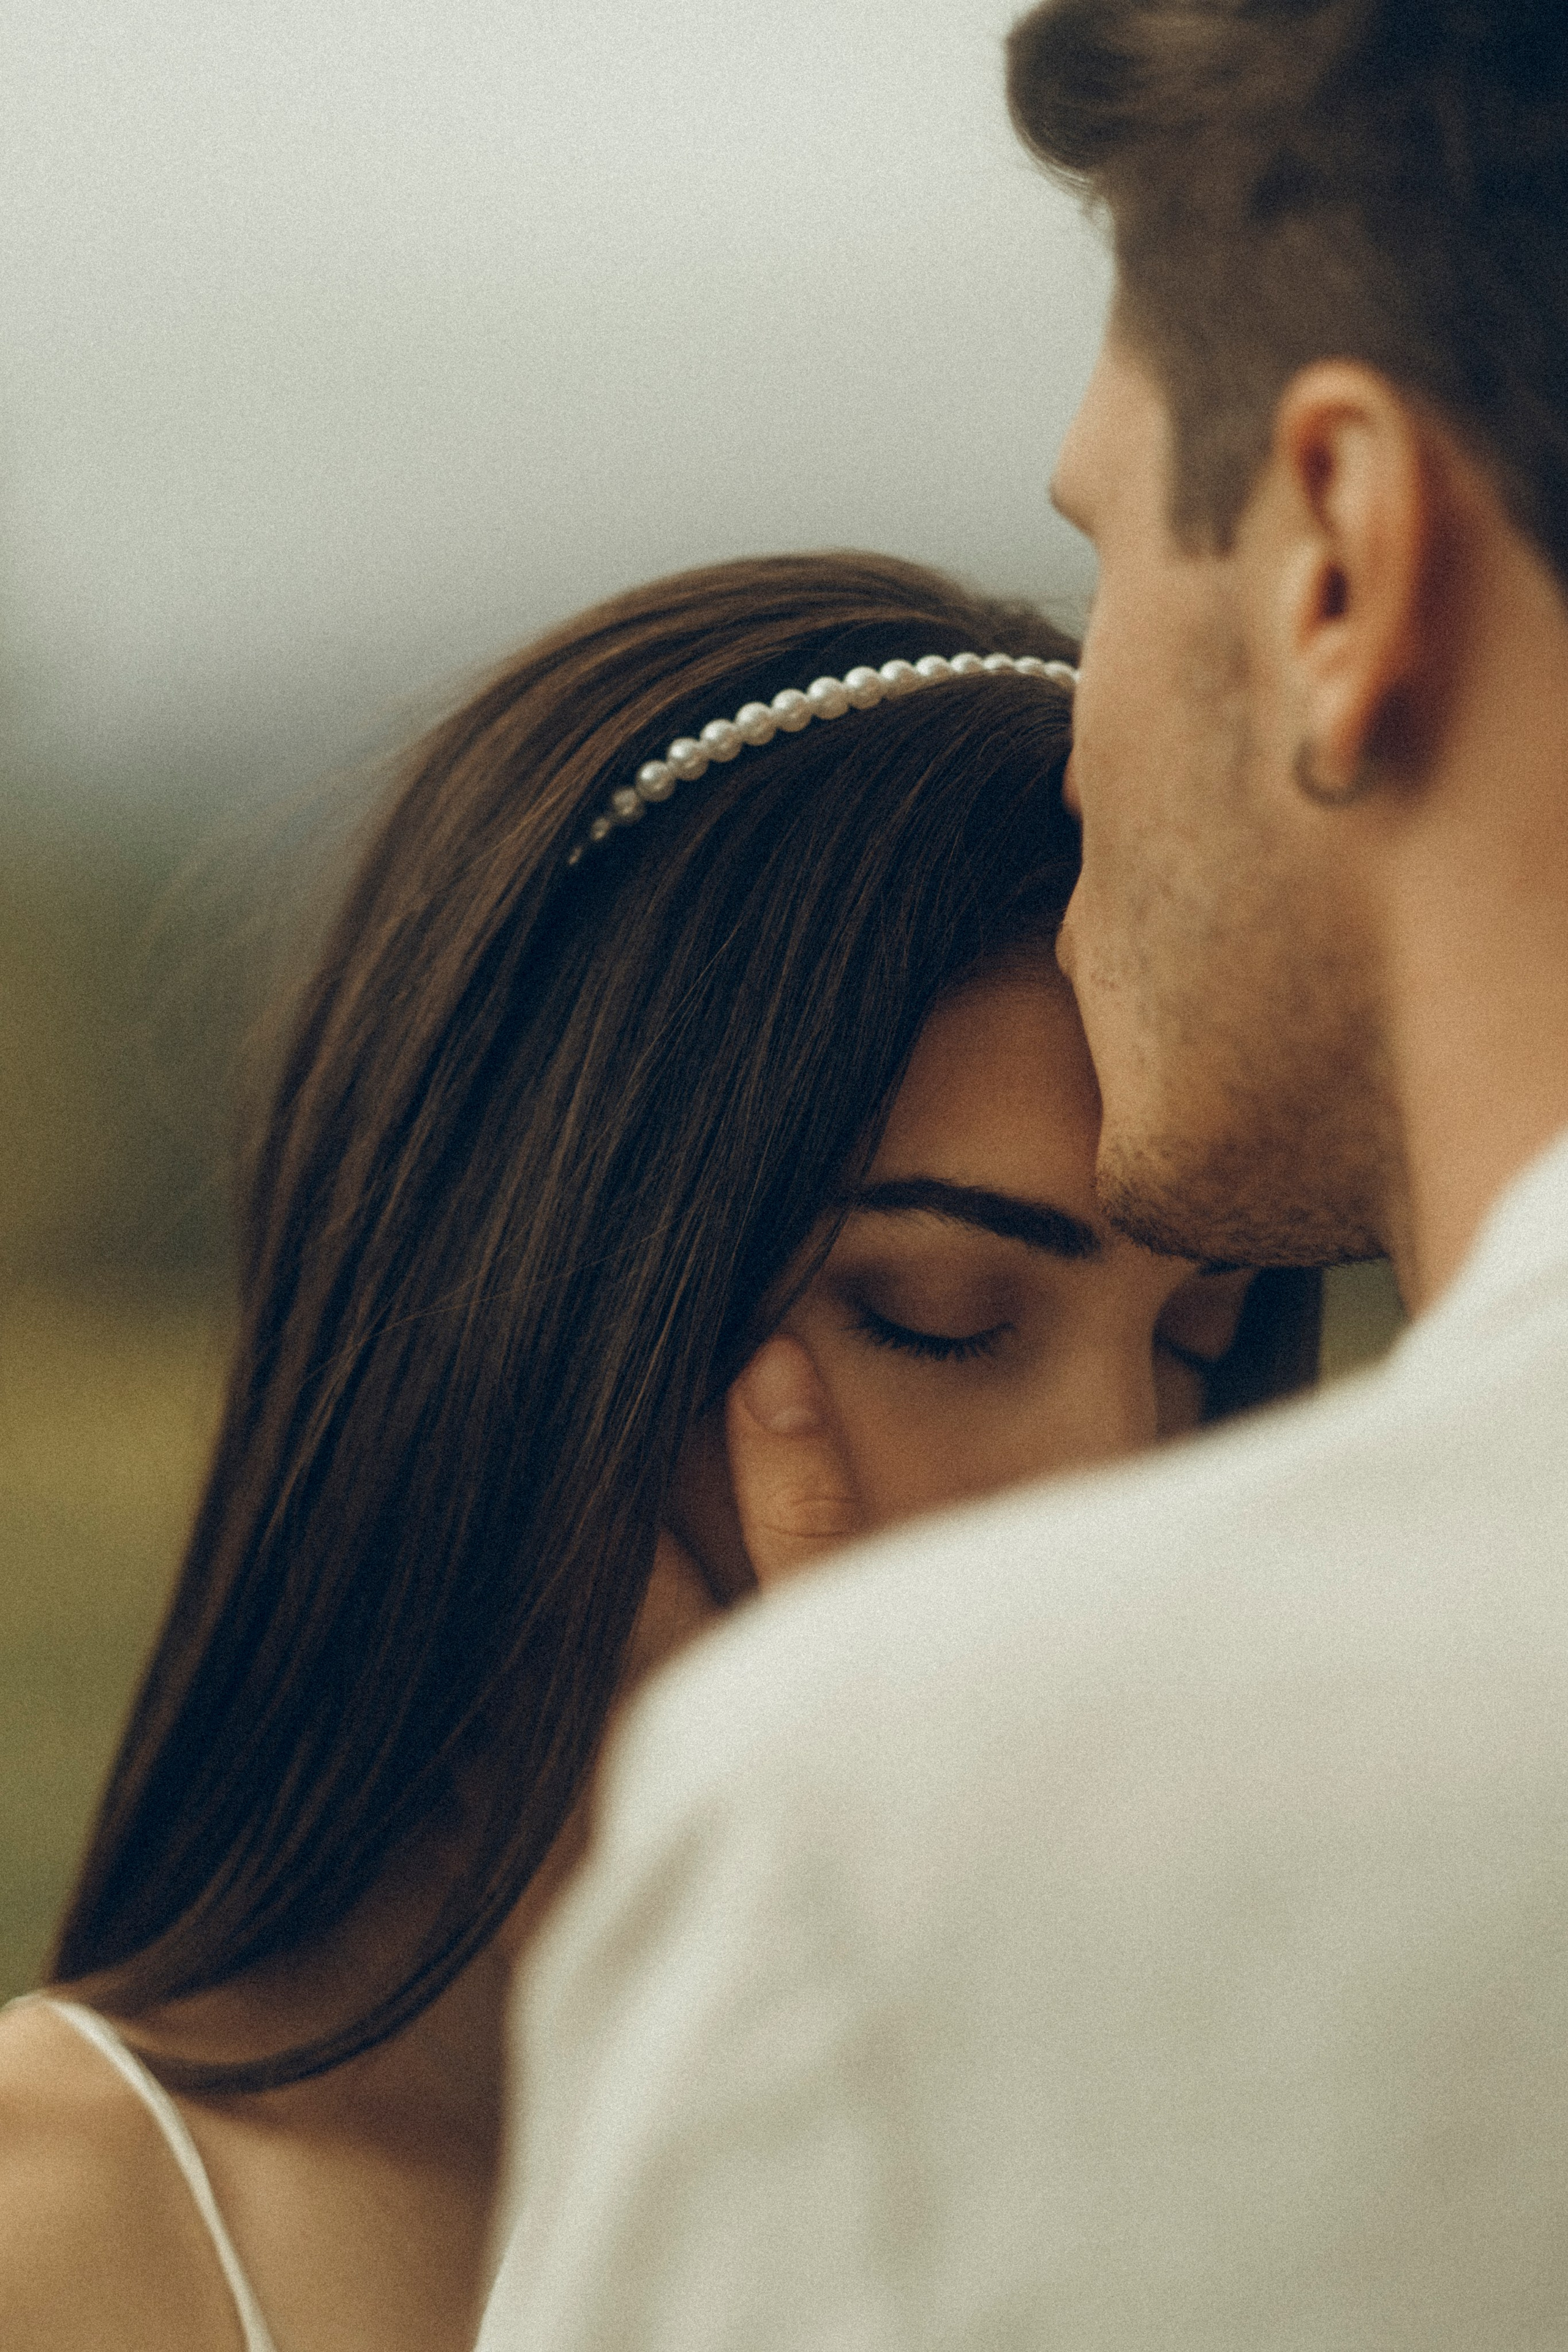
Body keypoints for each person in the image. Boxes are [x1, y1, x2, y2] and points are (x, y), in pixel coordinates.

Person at [476, 3, 1568, 2347]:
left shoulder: (921, 1859)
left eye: (1103, 557)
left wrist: (886, 1820)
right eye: (947, 1319)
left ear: (1341, 564)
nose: (1077, 741)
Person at [0, 551, 1314, 2352]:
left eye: (1200, 1345)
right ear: (526, 1317)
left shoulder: (1223, 2173)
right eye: (934, 1316)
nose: (1128, 1491)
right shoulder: (55, 2233)